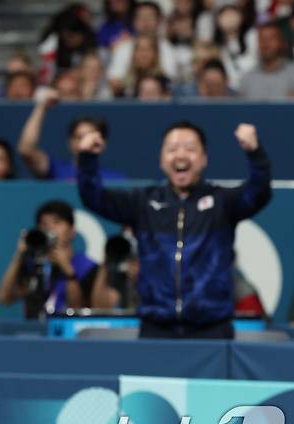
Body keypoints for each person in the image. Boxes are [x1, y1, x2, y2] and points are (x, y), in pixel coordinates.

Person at [77, 121, 272, 339]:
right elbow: (94, 198)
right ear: (161, 161)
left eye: (189, 149)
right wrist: (87, 159)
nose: (180, 155)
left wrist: (255, 153)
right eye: (172, 149)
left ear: (204, 158)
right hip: (156, 328)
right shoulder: (143, 202)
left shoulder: (222, 202)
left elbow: (259, 193)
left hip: (212, 329)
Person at [0, 200, 97, 319]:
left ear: (72, 231)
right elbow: (4, 298)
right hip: (34, 333)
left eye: (57, 222)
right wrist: (19, 255)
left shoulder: (88, 267)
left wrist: (67, 270)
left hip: (68, 334)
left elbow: (78, 309)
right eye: (44, 224)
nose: (50, 229)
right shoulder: (33, 264)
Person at [18, 88, 125, 180]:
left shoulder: (116, 179)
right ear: (69, 142)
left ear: (102, 143)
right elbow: (26, 150)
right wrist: (42, 107)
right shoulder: (55, 170)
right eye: (78, 137)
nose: (83, 142)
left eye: (89, 137)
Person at [239, 21, 294, 99]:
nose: (266, 44)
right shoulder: (247, 79)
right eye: (262, 39)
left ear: (283, 43)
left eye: (271, 39)